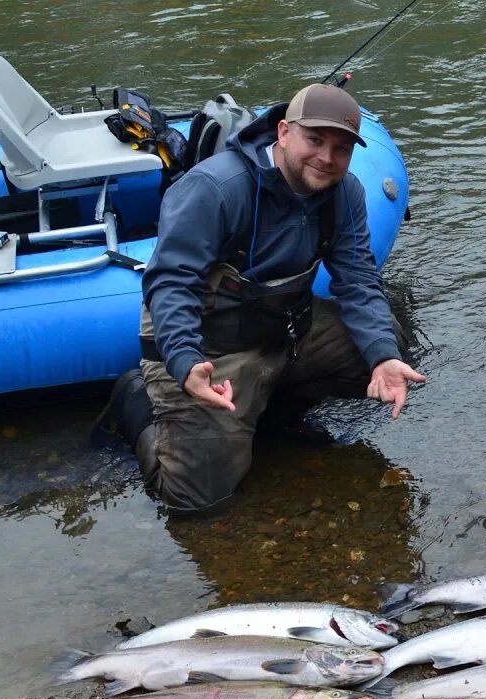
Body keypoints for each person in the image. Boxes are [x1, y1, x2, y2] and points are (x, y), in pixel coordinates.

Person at [95, 83, 425, 515]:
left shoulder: (345, 193)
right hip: (208, 347)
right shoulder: (215, 188)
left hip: (284, 329)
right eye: (316, 140)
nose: (327, 158)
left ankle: (264, 413)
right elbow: (171, 282)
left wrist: (381, 356)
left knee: (385, 346)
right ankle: (136, 401)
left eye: (341, 148)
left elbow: (359, 281)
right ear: (284, 132)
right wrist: (184, 361)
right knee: (195, 502)